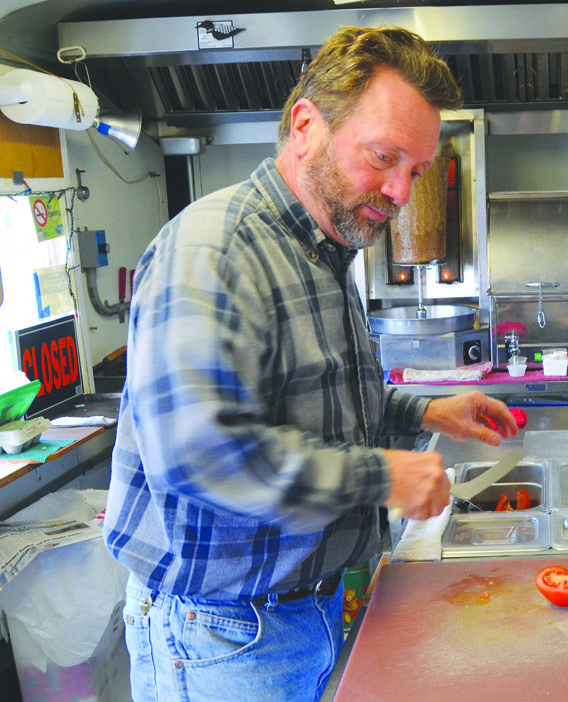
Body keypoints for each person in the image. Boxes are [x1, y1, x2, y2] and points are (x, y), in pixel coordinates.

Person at [103, 25, 518, 702]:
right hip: (225, 636)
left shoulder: (323, 253)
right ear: (305, 127)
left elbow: (321, 409)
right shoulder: (216, 251)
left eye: (414, 170)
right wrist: (380, 474)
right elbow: (200, 457)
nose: (400, 191)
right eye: (383, 156)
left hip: (300, 613)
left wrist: (424, 412)